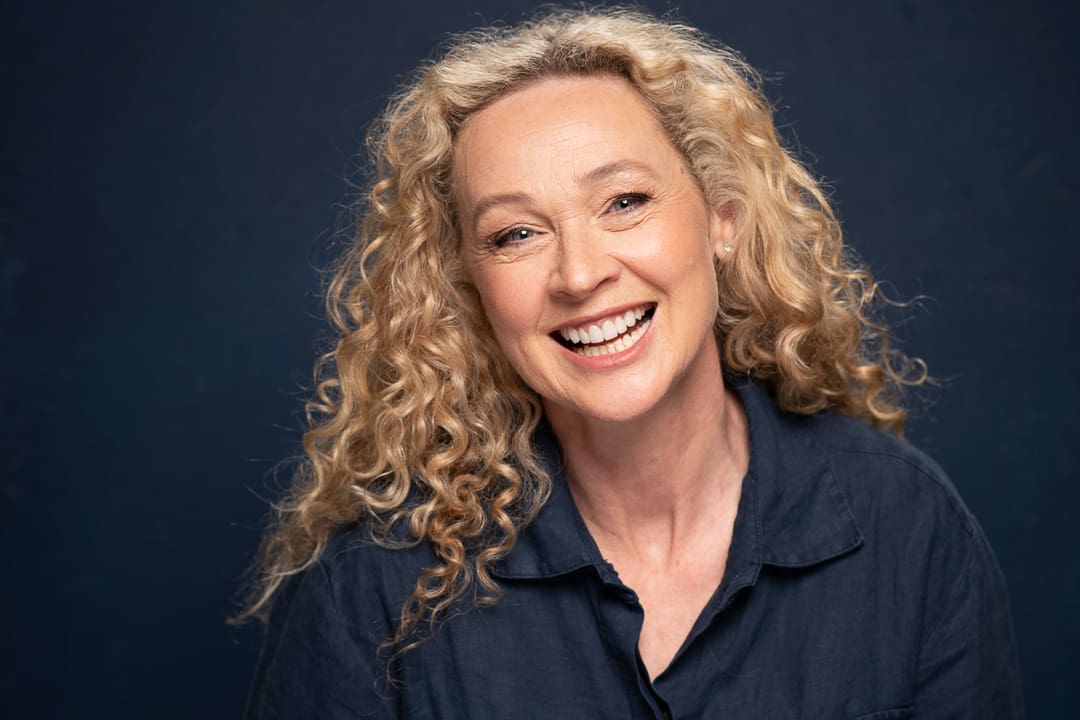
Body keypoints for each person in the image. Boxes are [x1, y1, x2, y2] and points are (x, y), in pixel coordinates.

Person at [239, 7, 1023, 718]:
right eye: (516, 234)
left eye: (624, 202)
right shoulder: (373, 584)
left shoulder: (907, 528)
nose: (580, 274)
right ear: (469, 287)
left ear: (720, 220)